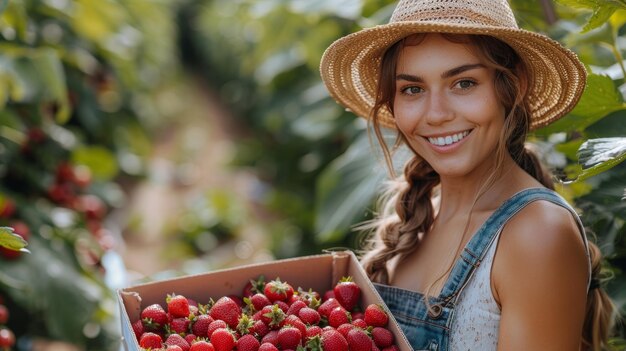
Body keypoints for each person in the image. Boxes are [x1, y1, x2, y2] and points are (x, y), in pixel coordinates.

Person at [320, 0, 616, 350]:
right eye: (412, 89)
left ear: (513, 85)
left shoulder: (536, 234)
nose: (437, 114)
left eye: (463, 83)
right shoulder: (416, 220)